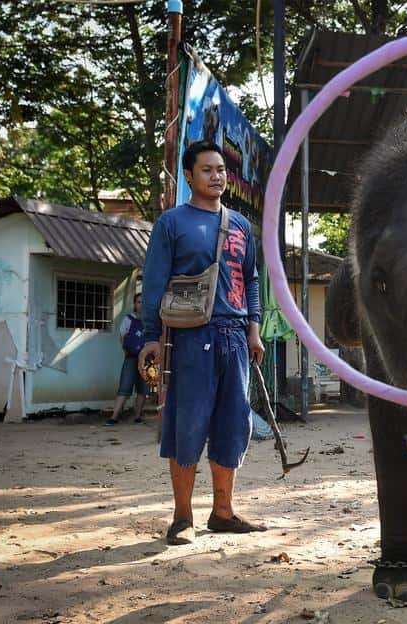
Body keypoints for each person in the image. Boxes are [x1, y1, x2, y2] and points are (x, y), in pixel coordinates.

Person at [137, 140, 266, 545]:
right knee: (187, 423)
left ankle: (223, 513)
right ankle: (182, 519)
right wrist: (152, 337)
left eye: (221, 170)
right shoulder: (171, 223)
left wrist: (254, 329)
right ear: (188, 176)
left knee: (234, 423)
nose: (217, 176)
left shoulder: (242, 226)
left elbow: (253, 281)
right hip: (189, 337)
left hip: (235, 337)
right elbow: (155, 282)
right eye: (207, 170)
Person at [105, 292, 149, 426]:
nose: (141, 304)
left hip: (147, 359)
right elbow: (123, 337)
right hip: (131, 357)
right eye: (139, 302)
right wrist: (127, 352)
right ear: (135, 304)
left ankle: (138, 416)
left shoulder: (150, 320)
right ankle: (114, 416)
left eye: (143, 302)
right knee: (124, 387)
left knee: (143, 389)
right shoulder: (128, 319)